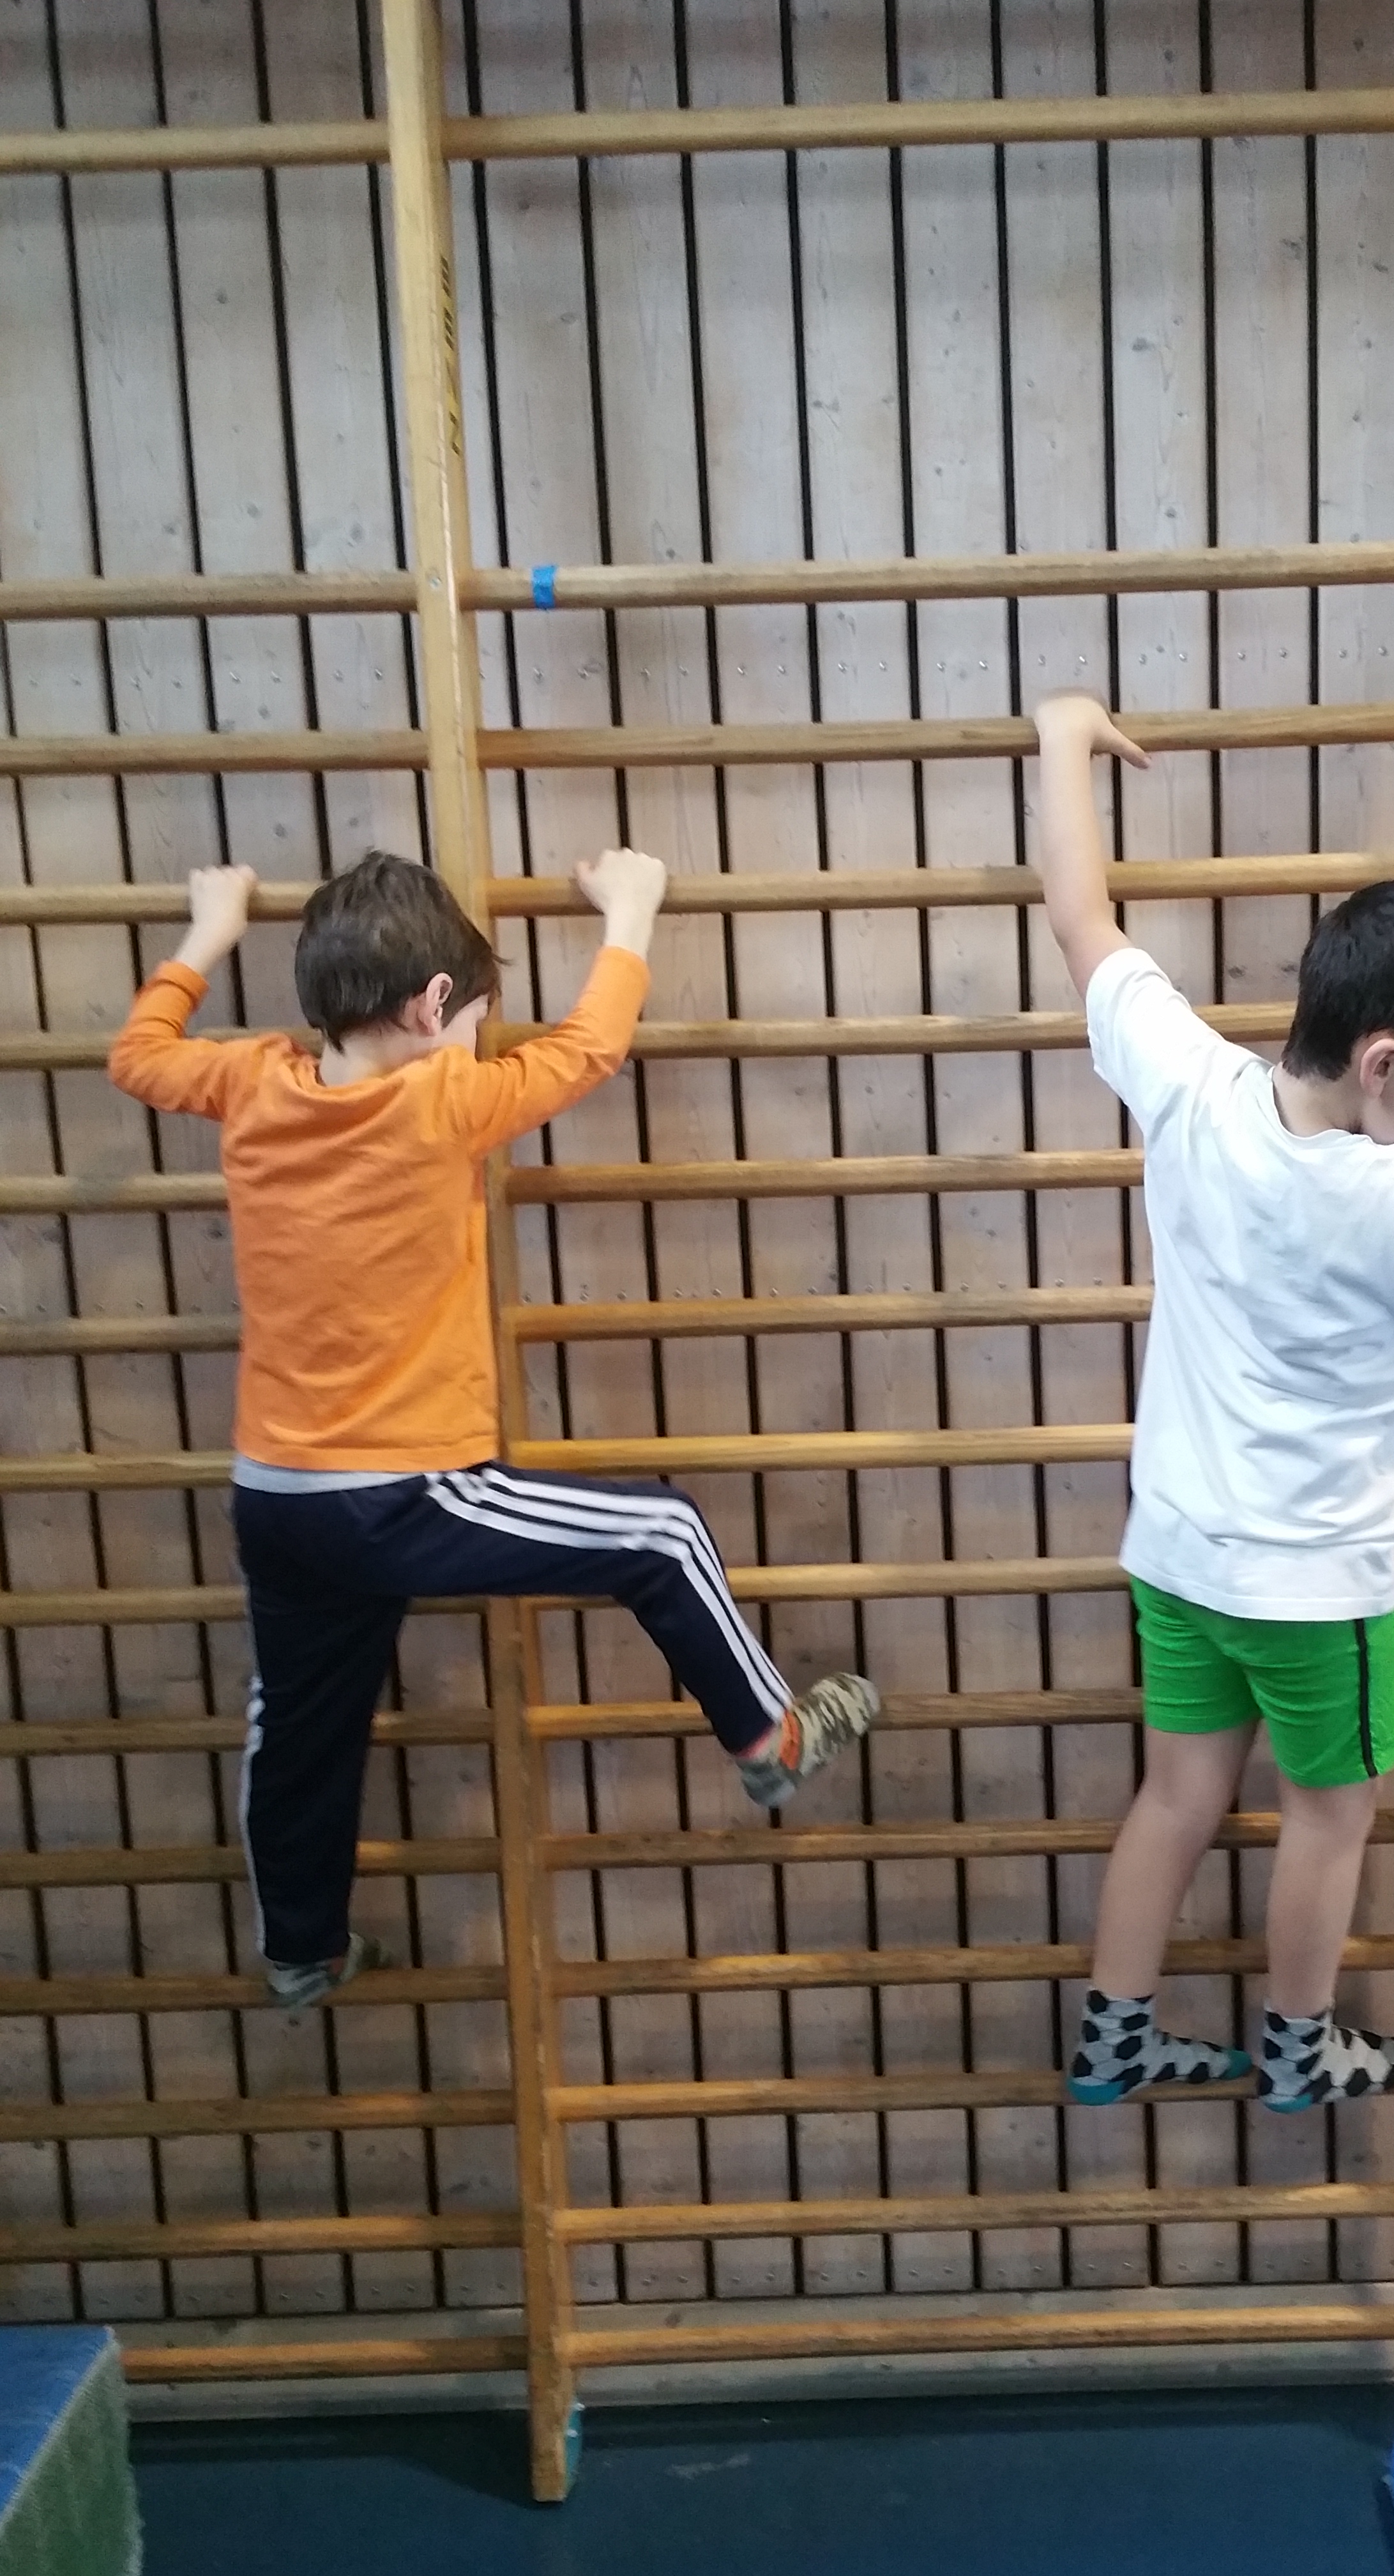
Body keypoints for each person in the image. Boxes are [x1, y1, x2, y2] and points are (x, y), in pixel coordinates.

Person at [109, 850, 877, 2011]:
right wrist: (630, 912)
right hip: (401, 1492)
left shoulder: (252, 1081)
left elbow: (138, 1057)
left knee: (301, 1727)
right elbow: (587, 1050)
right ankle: (770, 1737)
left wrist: (207, 933)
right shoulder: (442, 1101)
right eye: (474, 1018)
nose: (478, 1039)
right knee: (662, 1535)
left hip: (277, 1496)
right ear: (433, 1007)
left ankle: (303, 1948)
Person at [1033, 695, 1394, 2112]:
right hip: (1317, 1586)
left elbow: (1082, 919)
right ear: (1386, 1064)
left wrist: (1063, 740)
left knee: (1176, 1794)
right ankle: (1299, 2054)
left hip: (1181, 1553)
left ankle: (1115, 2040)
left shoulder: (1191, 1084)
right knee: (1331, 1812)